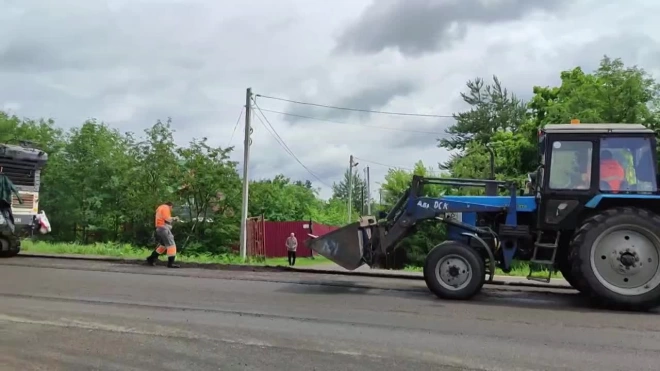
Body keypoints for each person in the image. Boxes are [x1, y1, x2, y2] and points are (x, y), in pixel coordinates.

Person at [145, 201, 180, 268]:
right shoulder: (165, 208)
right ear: (170, 206)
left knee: (163, 245)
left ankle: (151, 258)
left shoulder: (160, 208)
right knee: (171, 245)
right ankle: (170, 263)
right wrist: (174, 218)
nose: (171, 210)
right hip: (164, 229)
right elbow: (167, 219)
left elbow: (164, 219)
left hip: (159, 228)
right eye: (171, 208)